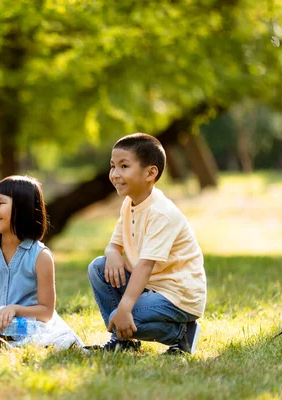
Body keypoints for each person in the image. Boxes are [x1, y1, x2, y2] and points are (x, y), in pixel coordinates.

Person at [86, 133, 207, 354]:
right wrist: (113, 253)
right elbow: (114, 246)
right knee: (98, 267)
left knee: (120, 316)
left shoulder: (161, 213)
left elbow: (145, 265)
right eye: (113, 166)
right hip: (150, 287)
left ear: (150, 173)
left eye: (124, 166)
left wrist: (124, 308)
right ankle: (125, 342)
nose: (115, 174)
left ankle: (183, 334)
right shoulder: (129, 203)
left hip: (177, 294)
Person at [0, 175, 83, 349]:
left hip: (32, 322)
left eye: (0, 203)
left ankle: (9, 342)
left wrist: (16, 309)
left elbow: (46, 312)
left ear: (23, 208)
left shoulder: (41, 256)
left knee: (49, 337)